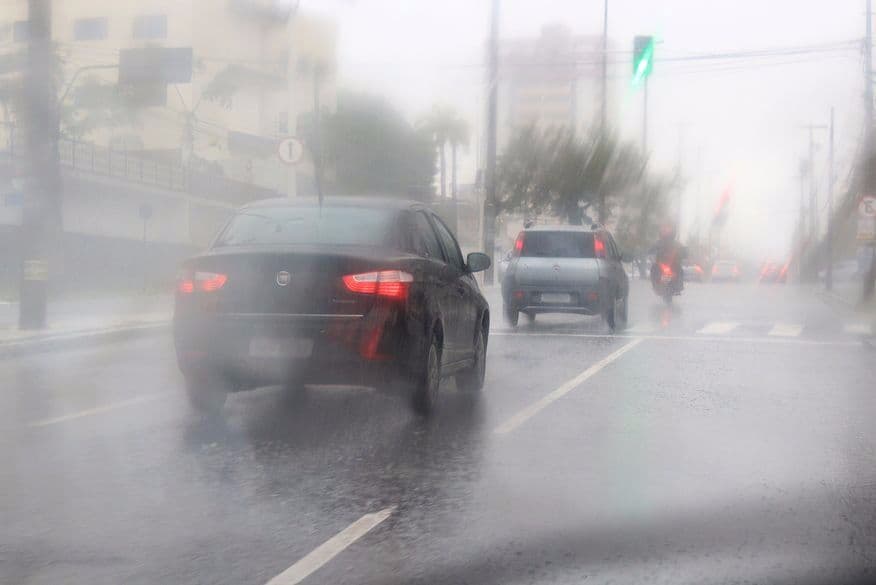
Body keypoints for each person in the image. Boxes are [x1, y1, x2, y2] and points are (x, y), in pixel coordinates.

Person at [650, 223, 686, 291]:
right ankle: (656, 285)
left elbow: (684, 252)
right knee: (654, 269)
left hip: (673, 265)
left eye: (668, 228)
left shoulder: (676, 244)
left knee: (679, 270)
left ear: (672, 230)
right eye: (664, 228)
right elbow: (650, 250)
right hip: (660, 266)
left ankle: (679, 285)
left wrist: (684, 254)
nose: (666, 230)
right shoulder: (657, 243)